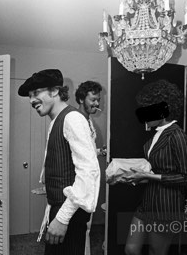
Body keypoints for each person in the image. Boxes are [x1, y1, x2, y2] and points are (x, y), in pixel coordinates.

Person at [18, 69, 101, 255]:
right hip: (60, 206)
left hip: (69, 212)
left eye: (36, 93)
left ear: (55, 91)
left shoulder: (72, 119)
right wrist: (51, 185)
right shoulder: (57, 120)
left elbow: (89, 172)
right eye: (30, 95)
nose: (31, 100)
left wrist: (63, 218)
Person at [123, 80, 187, 255]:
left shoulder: (177, 135)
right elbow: (155, 167)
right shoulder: (155, 134)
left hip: (166, 205)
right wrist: (138, 175)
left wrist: (149, 176)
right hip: (147, 201)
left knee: (156, 252)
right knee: (131, 249)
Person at [75, 80, 106, 255]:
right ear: (81, 99)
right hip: (80, 182)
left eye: (98, 100)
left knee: (85, 226)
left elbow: (86, 149)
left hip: (90, 182)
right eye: (93, 99)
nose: (97, 103)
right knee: (80, 227)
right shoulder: (77, 121)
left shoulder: (88, 121)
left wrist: (100, 151)